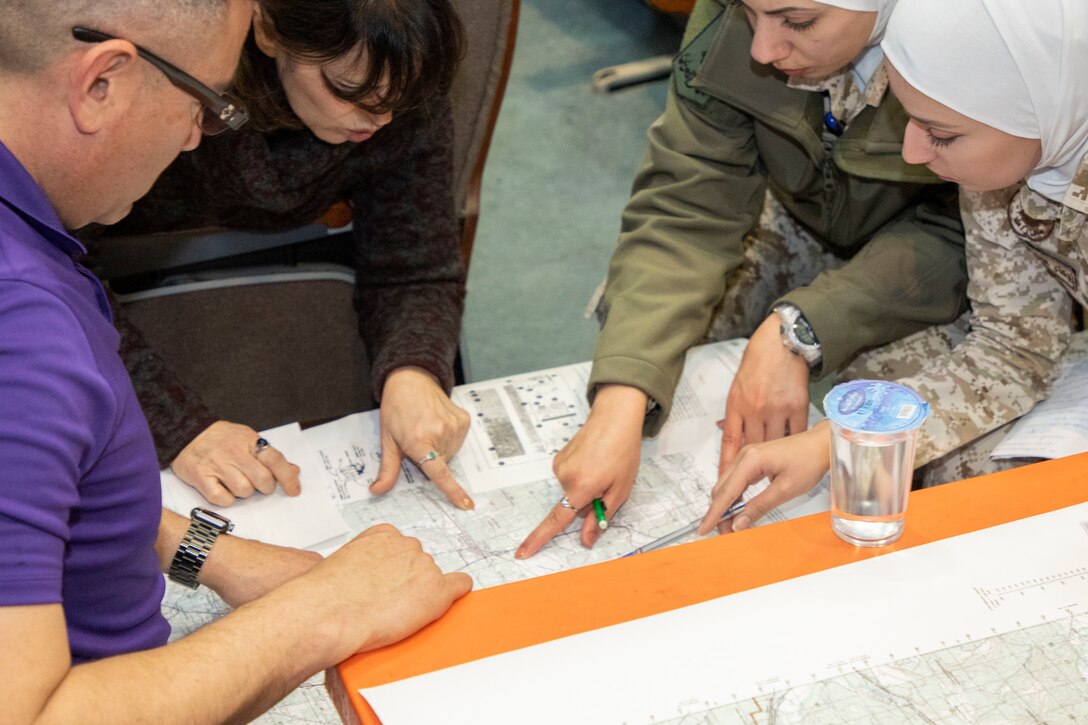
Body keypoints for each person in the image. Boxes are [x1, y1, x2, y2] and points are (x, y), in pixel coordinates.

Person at [0, 2, 470, 721]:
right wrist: (327, 609)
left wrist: (211, 555)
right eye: (203, 101)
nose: (199, 137)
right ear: (102, 83)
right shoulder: (27, 332)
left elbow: (70, 504)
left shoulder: (36, 243)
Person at [517, 0, 969, 558]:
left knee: (903, 445)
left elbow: (973, 235)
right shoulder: (731, 24)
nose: (763, 50)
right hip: (801, 212)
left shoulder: (974, 41)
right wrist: (621, 397)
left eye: (797, 22)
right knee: (650, 330)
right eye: (751, 15)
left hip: (948, 256)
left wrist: (802, 328)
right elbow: (687, 207)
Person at [698, 0, 1086, 534]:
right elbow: (1014, 347)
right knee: (868, 389)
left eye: (940, 134)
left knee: (1014, 495)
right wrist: (832, 442)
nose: (912, 153)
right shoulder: (1024, 149)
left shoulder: (1021, 135)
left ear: (1043, 104)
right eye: (910, 120)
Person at [95, 0, 474, 510]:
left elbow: (414, 267)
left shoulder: (395, 70)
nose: (380, 120)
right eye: (349, 91)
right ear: (268, 29)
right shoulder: (168, 70)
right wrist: (177, 428)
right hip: (114, 281)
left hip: (310, 268)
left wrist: (413, 371)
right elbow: (50, 275)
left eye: (399, 102)